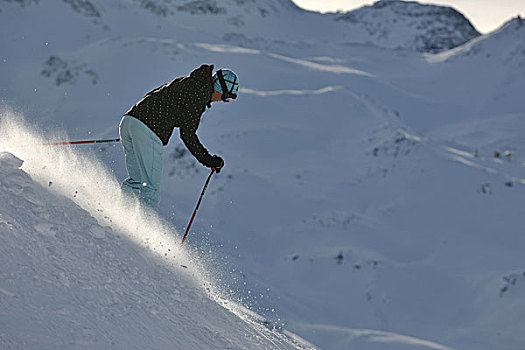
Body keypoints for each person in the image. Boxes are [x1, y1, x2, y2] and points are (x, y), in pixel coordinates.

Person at [119, 64, 239, 209]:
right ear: (219, 89)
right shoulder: (200, 93)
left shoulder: (188, 82)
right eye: (227, 98)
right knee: (150, 190)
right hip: (147, 130)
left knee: (136, 181)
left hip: (129, 121)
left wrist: (145, 127)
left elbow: (157, 95)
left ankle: (121, 214)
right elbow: (188, 134)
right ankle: (138, 230)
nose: (223, 101)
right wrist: (209, 160)